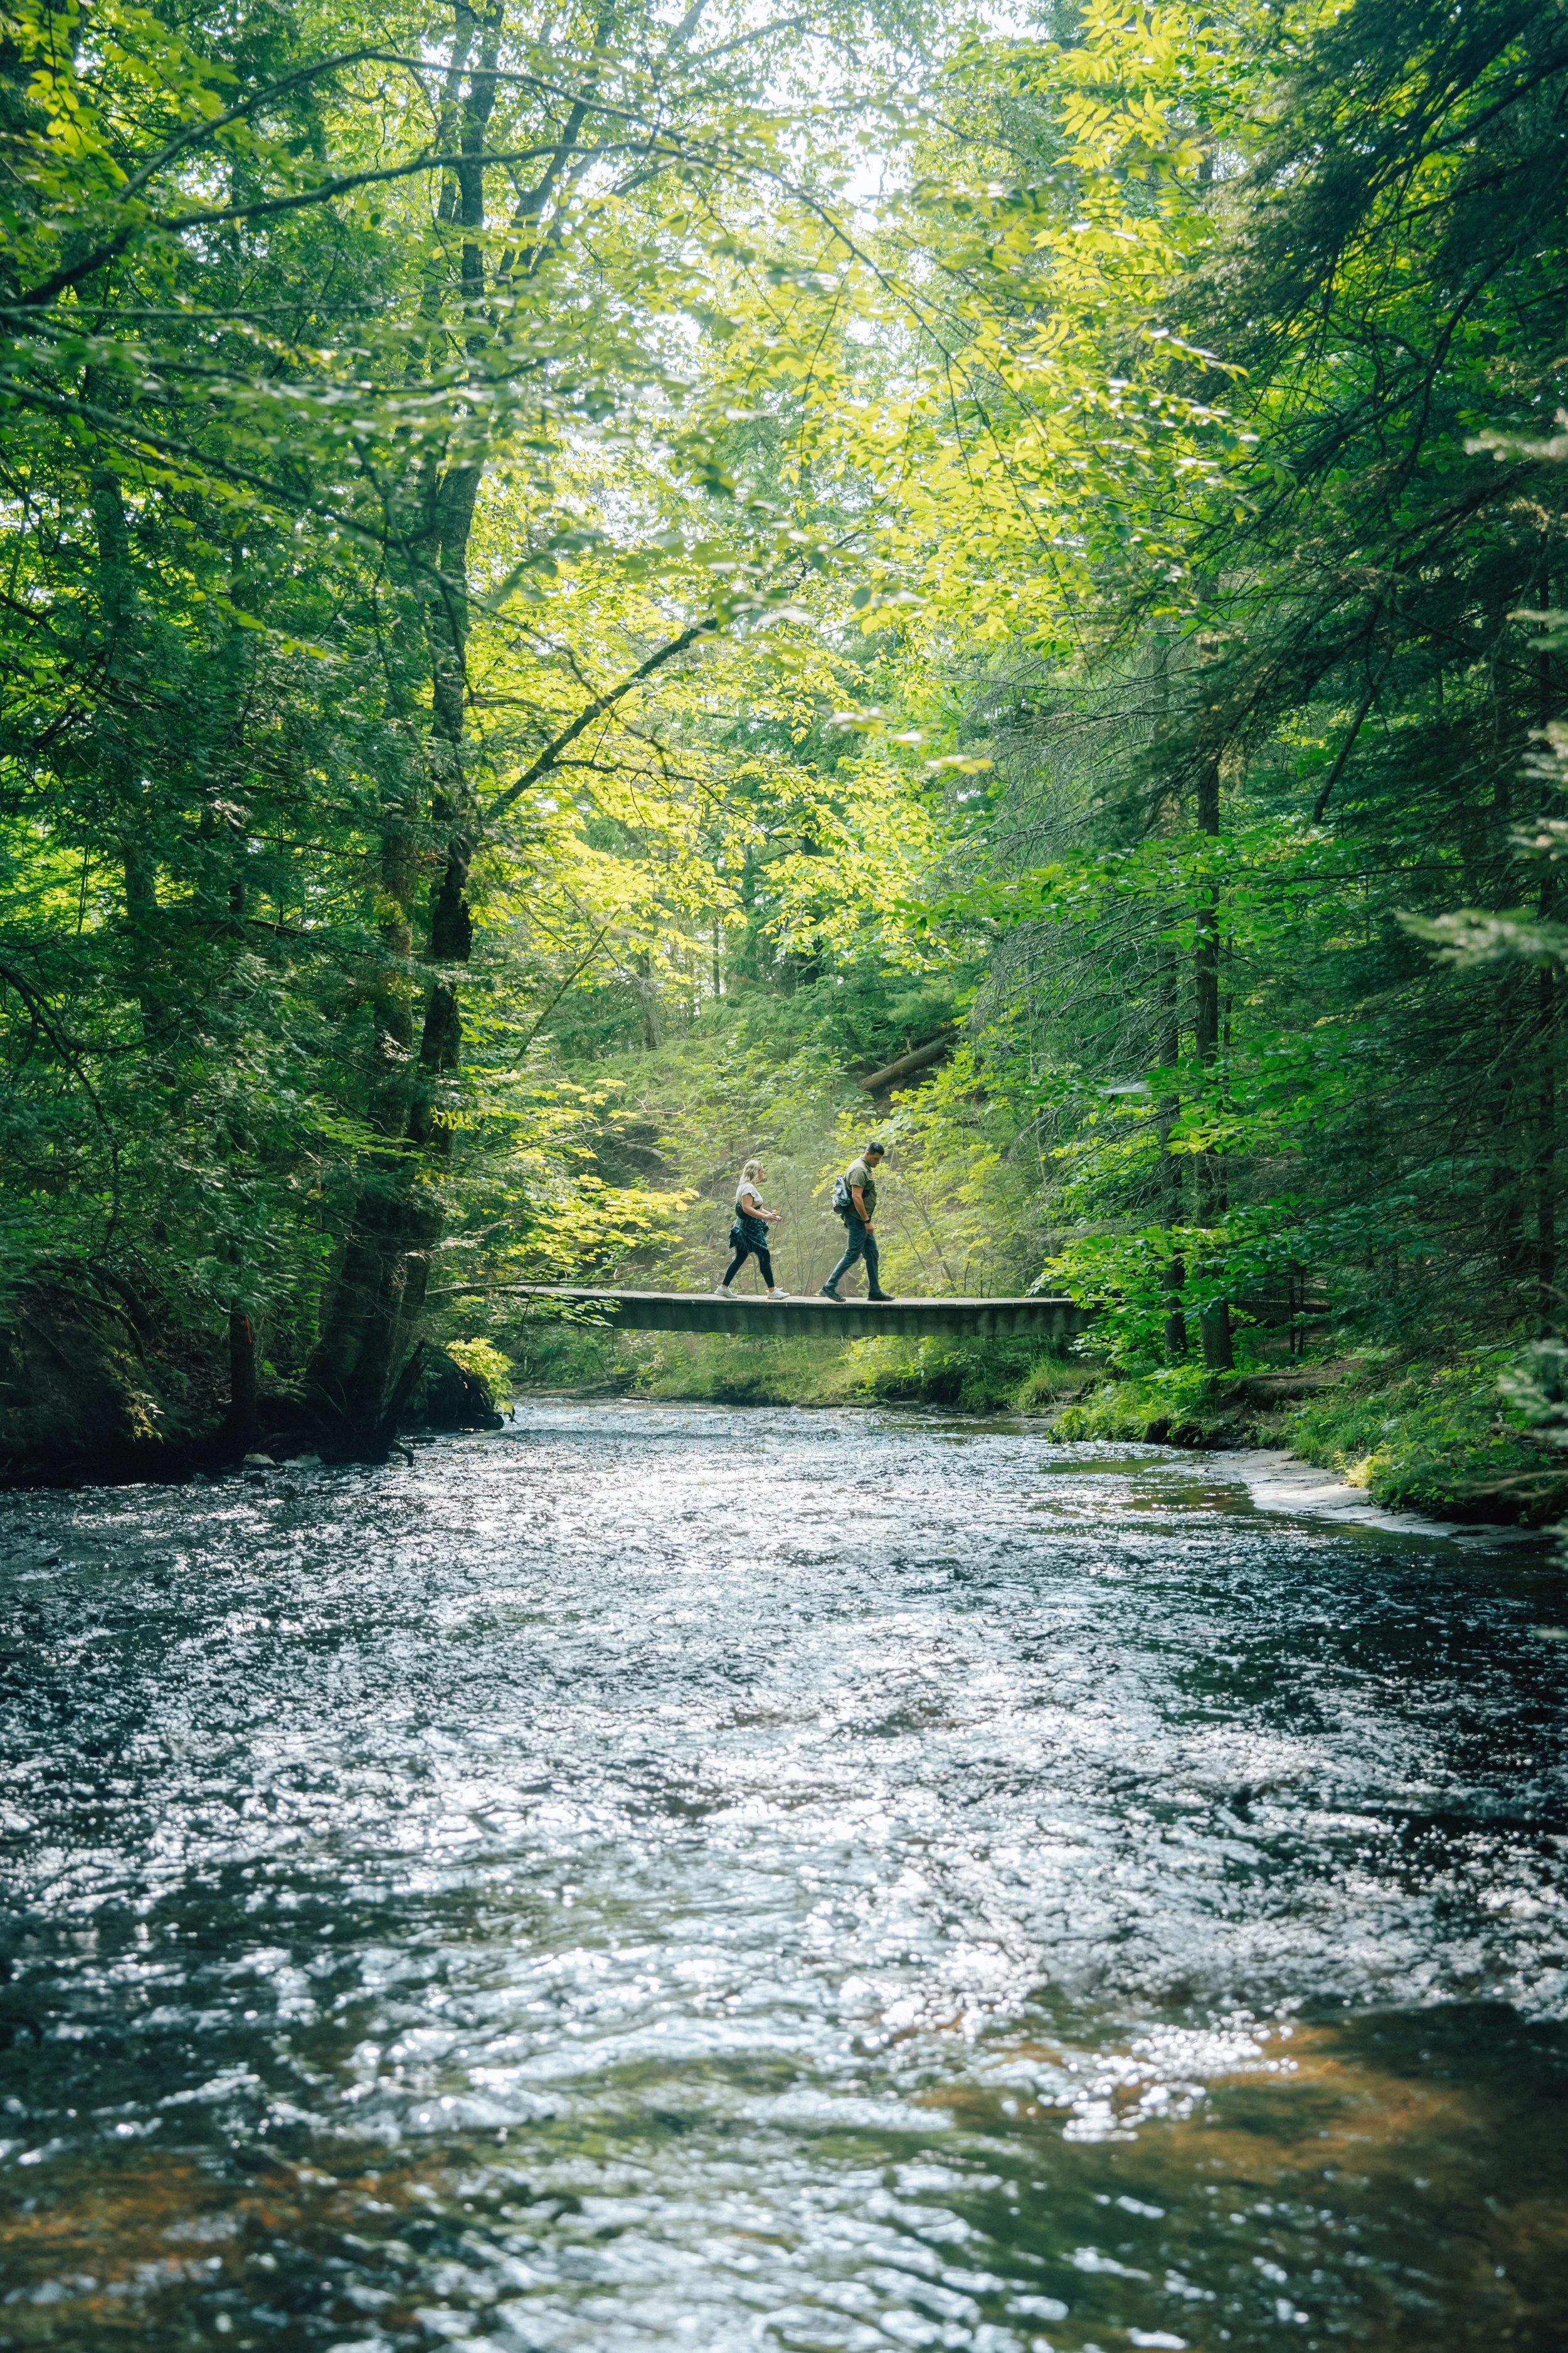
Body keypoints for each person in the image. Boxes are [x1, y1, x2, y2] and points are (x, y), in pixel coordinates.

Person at [820, 1142, 896, 1302]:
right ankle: (829, 1287)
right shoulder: (859, 1169)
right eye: (875, 1159)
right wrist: (867, 1220)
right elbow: (856, 1197)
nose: (878, 1162)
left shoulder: (865, 1167)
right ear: (867, 1154)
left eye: (880, 1159)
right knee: (853, 1253)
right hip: (857, 1219)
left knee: (872, 1253)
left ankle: (875, 1291)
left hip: (861, 1219)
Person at [715, 1157, 790, 1298]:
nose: (763, 1174)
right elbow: (747, 1208)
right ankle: (772, 1291)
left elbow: (757, 1208)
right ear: (755, 1172)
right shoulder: (748, 1188)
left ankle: (723, 1288)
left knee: (740, 1257)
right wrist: (765, 1217)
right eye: (762, 1172)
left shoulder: (745, 1186)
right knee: (764, 1254)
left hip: (744, 1226)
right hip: (749, 1229)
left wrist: (771, 1215)